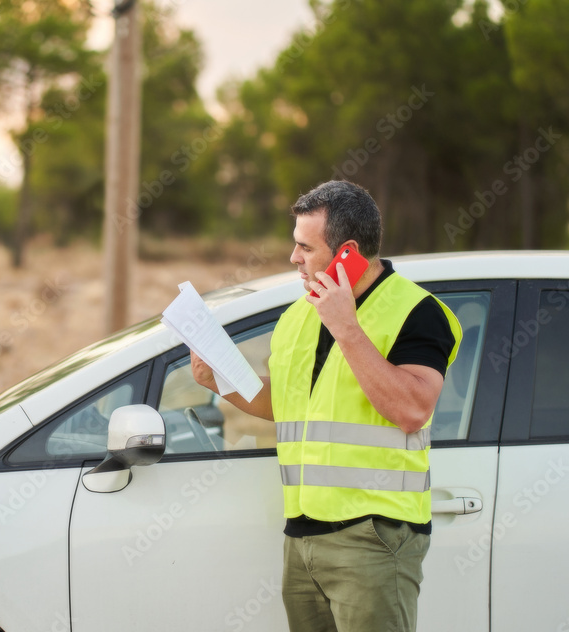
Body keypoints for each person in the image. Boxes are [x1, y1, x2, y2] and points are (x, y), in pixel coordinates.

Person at [191, 180, 461, 632]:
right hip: (302, 538)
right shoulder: (299, 314)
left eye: (304, 246)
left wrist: (347, 329)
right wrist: (219, 381)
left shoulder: (417, 311)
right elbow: (288, 402)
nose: (293, 258)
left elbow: (413, 408)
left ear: (347, 252)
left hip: (374, 537)